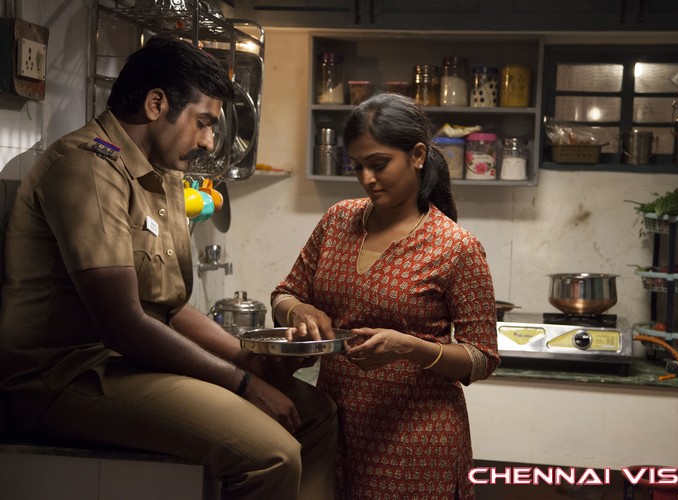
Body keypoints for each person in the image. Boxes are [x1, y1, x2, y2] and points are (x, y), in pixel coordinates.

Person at [0, 36, 336, 499]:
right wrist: (243, 384)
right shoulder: (87, 167)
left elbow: (169, 309)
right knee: (273, 454)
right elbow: (123, 325)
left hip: (127, 366)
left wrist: (246, 358)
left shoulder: (161, 177)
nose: (208, 141)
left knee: (315, 412)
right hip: (64, 378)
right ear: (156, 104)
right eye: (204, 122)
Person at [271, 93, 500, 499]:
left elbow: (481, 357)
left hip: (414, 443)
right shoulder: (338, 220)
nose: (367, 178)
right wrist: (299, 310)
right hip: (333, 426)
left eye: (378, 164)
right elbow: (284, 293)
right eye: (357, 166)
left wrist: (409, 347)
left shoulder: (455, 246)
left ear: (417, 155)